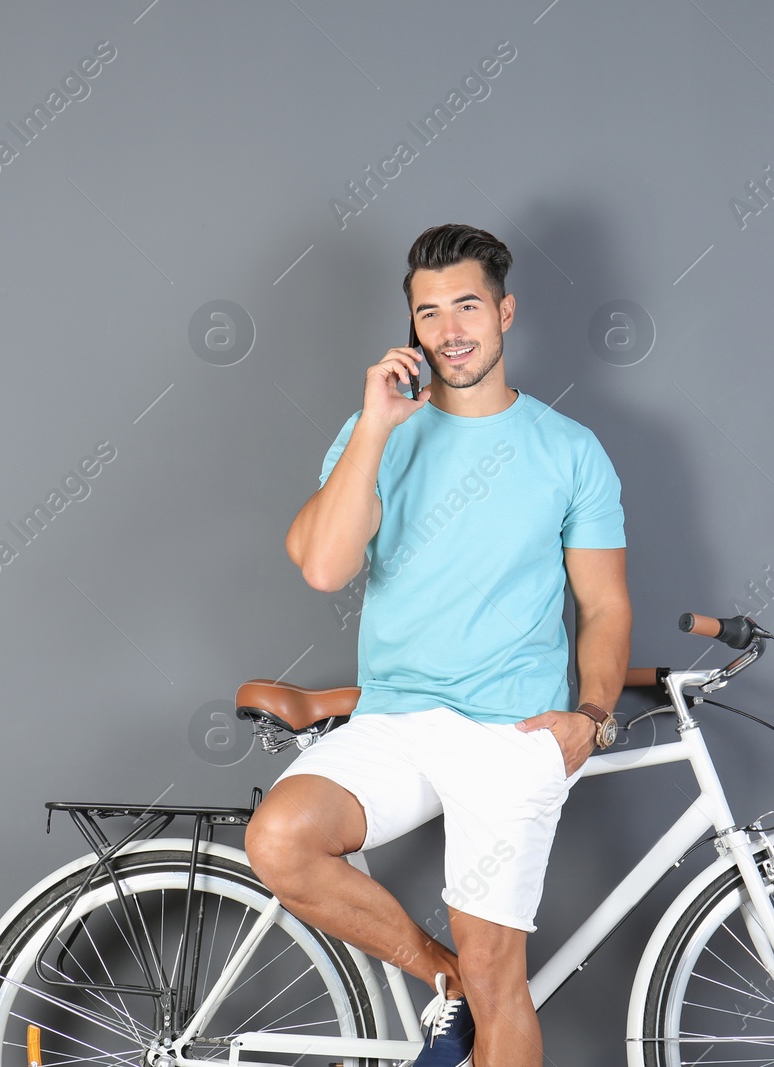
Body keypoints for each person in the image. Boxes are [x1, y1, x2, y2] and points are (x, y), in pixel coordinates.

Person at [245, 223, 630, 1066]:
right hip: (395, 721)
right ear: (412, 327)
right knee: (279, 839)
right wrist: (377, 428)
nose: (451, 328)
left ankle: (477, 989)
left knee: (501, 974)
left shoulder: (569, 452)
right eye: (430, 312)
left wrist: (590, 717)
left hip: (511, 731)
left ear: (504, 311)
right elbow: (322, 566)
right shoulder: (373, 434)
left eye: (467, 305)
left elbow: (603, 607)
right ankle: (442, 980)